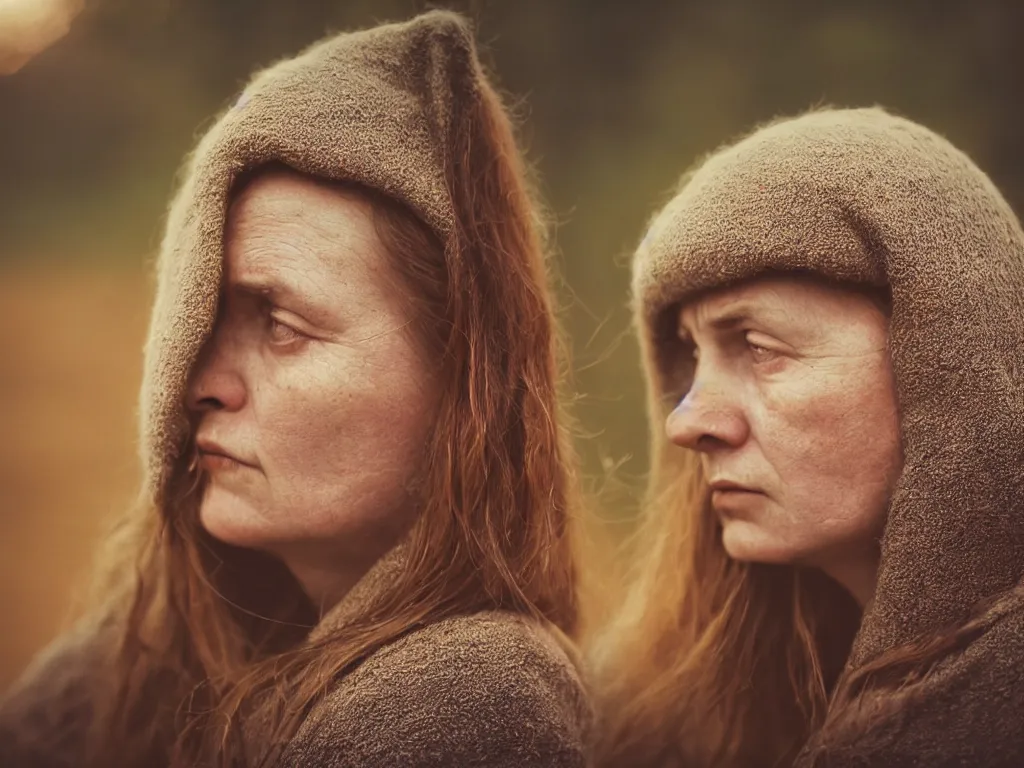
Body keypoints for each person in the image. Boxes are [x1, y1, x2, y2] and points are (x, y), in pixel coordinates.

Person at [0, 11, 591, 767]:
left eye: (280, 325)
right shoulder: (156, 663)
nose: (201, 386)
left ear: (462, 375)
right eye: (202, 322)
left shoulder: (471, 702)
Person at [589, 107, 1024, 767]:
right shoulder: (665, 714)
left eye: (760, 348)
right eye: (692, 356)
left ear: (943, 360)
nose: (687, 421)